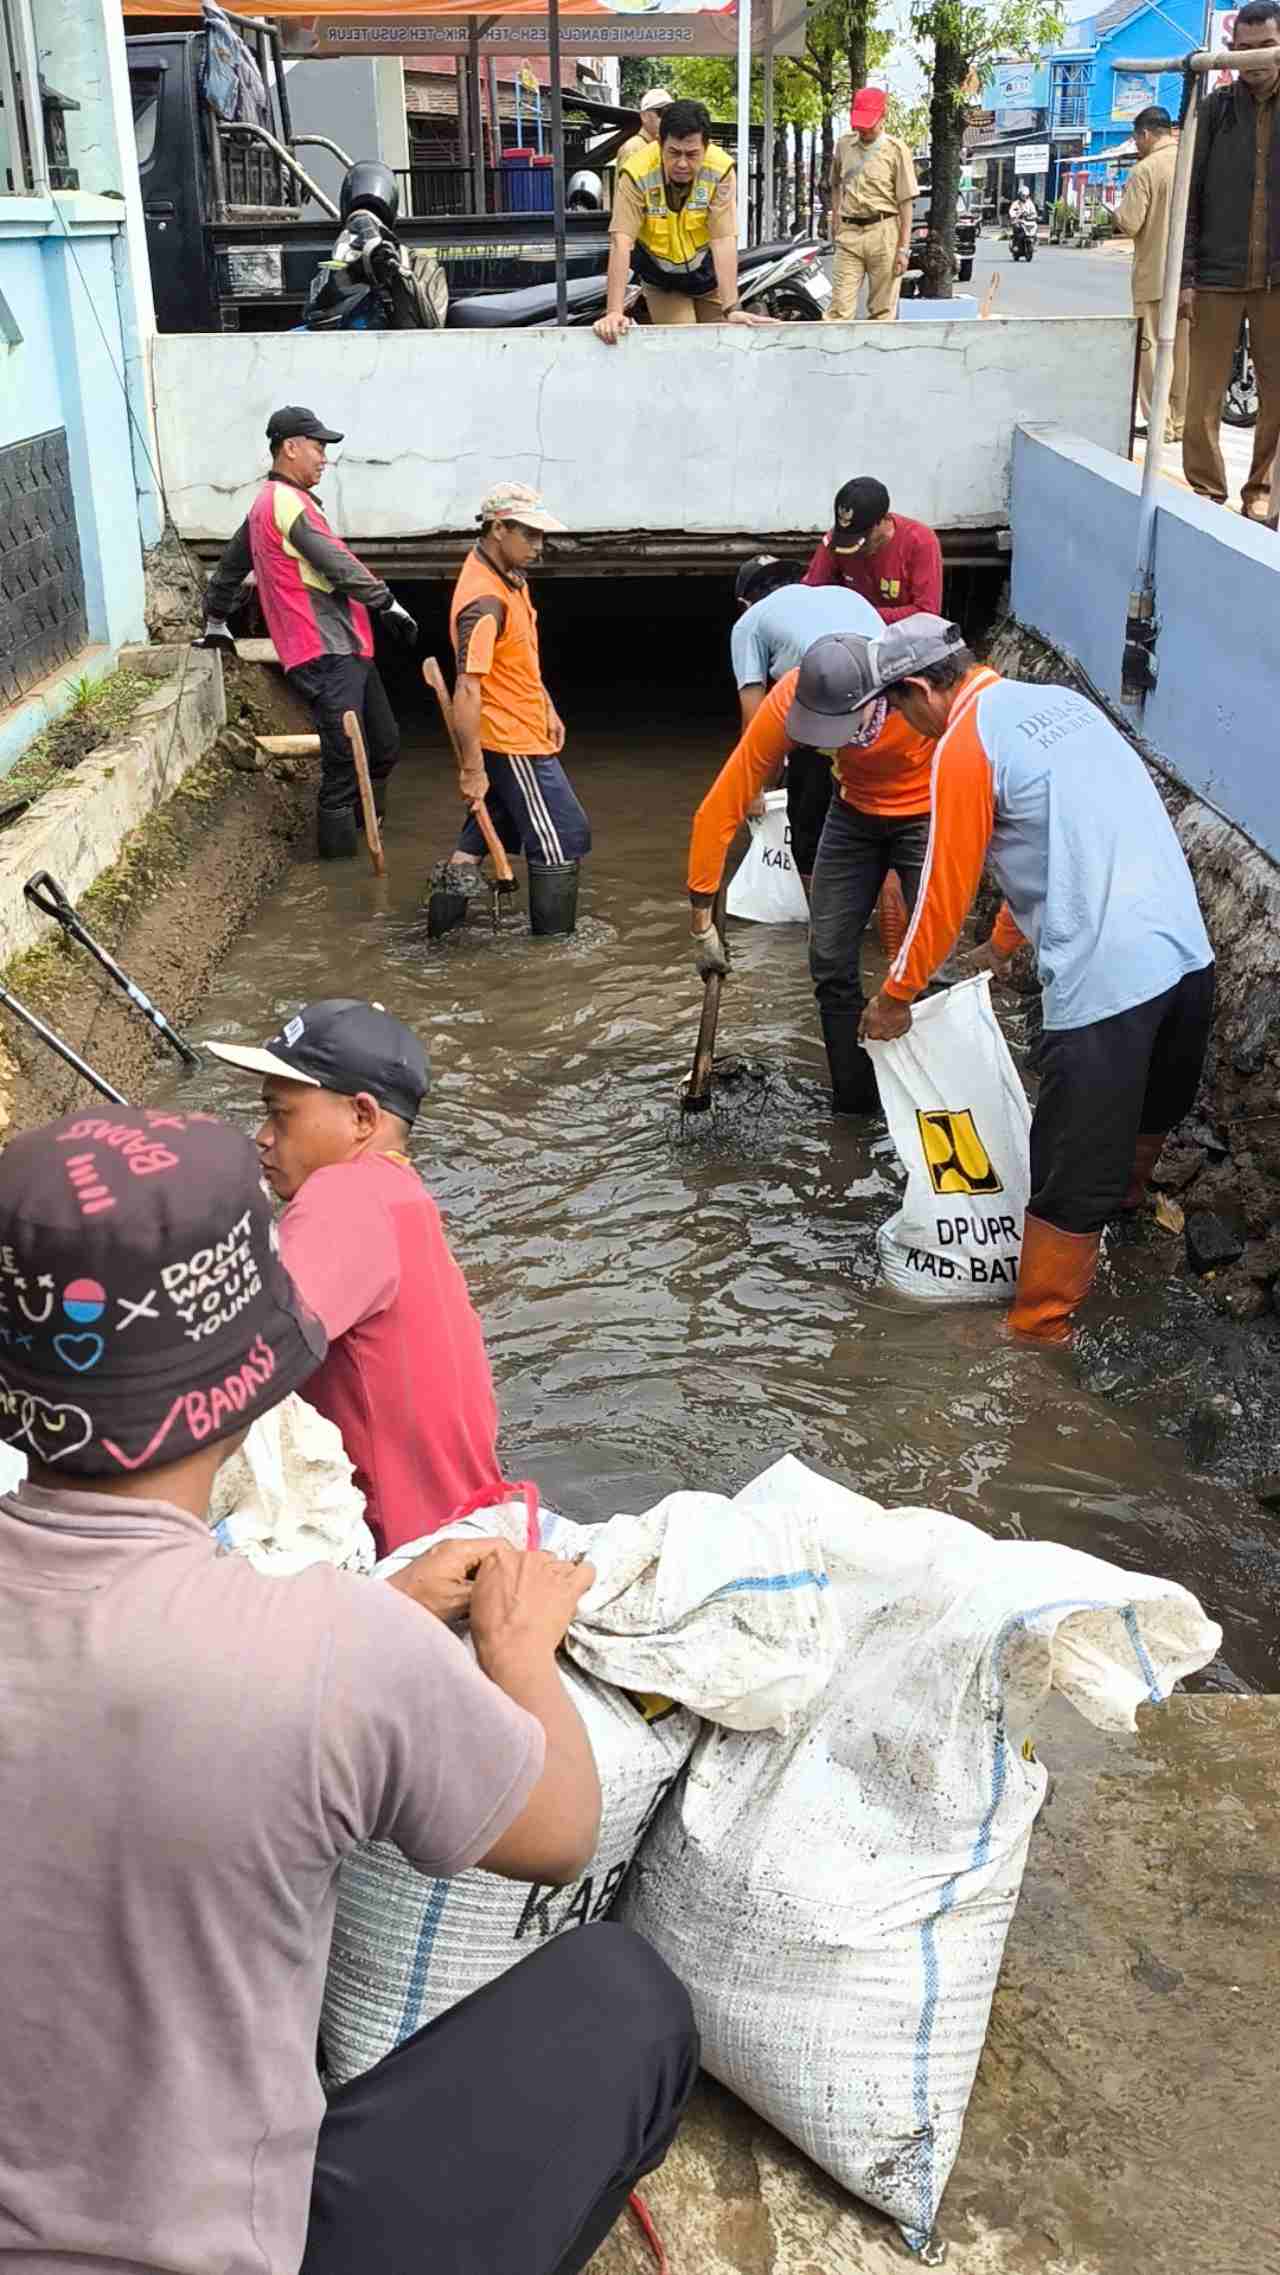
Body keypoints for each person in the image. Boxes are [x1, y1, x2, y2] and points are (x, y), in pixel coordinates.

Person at [0, 1105, 697, 2275]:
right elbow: (561, 1831)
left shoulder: (332, 1637)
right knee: (622, 2000)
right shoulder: (331, 1649)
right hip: (223, 2253)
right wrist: (516, 1651)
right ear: (250, 1378)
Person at [837, 616, 1214, 1343]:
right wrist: (1006, 942)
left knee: (1067, 1177)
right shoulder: (1064, 706)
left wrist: (894, 996)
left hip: (1105, 987)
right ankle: (1125, 1240)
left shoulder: (962, 745)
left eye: (898, 708)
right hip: (1188, 961)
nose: (904, 729)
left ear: (919, 688)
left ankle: (1038, 1343)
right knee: (1137, 1131)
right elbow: (1061, 833)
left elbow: (942, 897)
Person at [209, 996, 504, 1555]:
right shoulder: (399, 1196)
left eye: (281, 1114)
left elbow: (235, 1359)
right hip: (465, 1526)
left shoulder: (345, 1194)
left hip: (406, 1555)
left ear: (363, 1117)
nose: (263, 1136)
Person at [687, 635, 935, 1114]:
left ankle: (934, 1100)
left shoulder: (919, 698)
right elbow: (720, 805)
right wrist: (701, 921)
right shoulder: (789, 701)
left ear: (877, 697)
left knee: (933, 960)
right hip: (852, 812)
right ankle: (857, 1106)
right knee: (828, 960)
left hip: (927, 811)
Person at [200, 406, 419, 860]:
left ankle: (367, 836)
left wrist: (216, 620)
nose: (324, 458)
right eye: (318, 448)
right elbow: (334, 563)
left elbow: (229, 569)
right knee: (342, 759)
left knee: (382, 745)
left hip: (347, 647)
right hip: (323, 650)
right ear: (290, 448)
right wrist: (388, 602)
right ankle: (342, 877)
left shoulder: (269, 505)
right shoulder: (283, 502)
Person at [434, 482, 591, 939]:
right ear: (498, 528)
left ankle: (439, 937)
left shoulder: (509, 578)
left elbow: (518, 658)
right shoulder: (485, 602)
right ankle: (552, 951)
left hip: (525, 723)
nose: (539, 548)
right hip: (510, 739)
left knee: (484, 832)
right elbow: (467, 689)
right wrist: (471, 769)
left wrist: (547, 705)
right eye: (531, 535)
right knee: (561, 837)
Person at [730, 554, 886, 887]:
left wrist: (755, 788)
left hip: (832, 710)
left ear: (745, 602)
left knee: (807, 821)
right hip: (896, 709)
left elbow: (754, 715)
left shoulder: (750, 622)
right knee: (882, 814)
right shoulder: (844, 595)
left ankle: (810, 909)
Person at [1181, 0, 1280, 516]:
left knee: (1277, 395)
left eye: (1265, 48)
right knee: (1202, 396)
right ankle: (1206, 491)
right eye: (1241, 52)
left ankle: (1260, 494)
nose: (1253, 61)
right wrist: (1187, 275)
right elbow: (1189, 197)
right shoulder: (1215, 109)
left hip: (1277, 279)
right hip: (1217, 275)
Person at [594, 99, 772, 341]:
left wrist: (732, 308)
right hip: (663, 279)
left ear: (707, 147)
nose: (682, 163)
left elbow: (723, 240)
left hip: (708, 276)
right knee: (685, 345)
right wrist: (614, 312)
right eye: (674, 152)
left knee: (724, 346)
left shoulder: (720, 170)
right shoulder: (636, 172)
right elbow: (621, 241)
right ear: (659, 144)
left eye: (692, 154)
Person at [1115, 109, 1188, 443]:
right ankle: (1181, 422)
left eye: (1136, 138)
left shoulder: (1145, 170)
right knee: (1183, 354)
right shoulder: (1191, 161)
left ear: (1145, 134)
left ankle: (1159, 424)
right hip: (1191, 278)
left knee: (1153, 353)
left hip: (1154, 275)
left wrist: (1117, 213)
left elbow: (1129, 222)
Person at [826, 87, 918, 323]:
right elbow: (834, 183)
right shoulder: (844, 145)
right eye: (859, 123)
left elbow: (906, 203)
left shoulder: (897, 150)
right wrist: (835, 215)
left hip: (884, 233)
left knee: (882, 313)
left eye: (869, 123)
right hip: (849, 234)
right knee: (839, 311)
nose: (864, 129)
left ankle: (875, 360)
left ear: (883, 117)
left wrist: (903, 249)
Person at [803, 476, 943, 623]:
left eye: (860, 539)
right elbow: (810, 594)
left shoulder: (920, 541)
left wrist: (862, 616)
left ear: (882, 522)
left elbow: (927, 613)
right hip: (848, 632)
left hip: (903, 636)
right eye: (848, 536)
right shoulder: (835, 542)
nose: (855, 548)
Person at [616, 85, 672, 168]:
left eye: (670, 112)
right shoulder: (633, 148)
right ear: (644, 116)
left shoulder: (661, 145)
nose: (666, 118)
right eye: (662, 112)